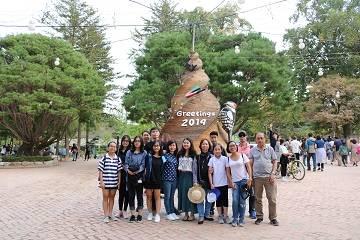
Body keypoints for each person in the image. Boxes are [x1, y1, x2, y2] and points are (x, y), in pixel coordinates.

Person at [249, 132, 279, 226]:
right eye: (258, 138)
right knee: (258, 199)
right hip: (257, 178)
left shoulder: (270, 149)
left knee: (272, 199)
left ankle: (273, 218)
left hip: (269, 177)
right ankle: (259, 217)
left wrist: (273, 173)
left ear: (265, 139)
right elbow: (250, 164)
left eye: (261, 138)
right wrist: (251, 177)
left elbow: (275, 162)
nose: (260, 140)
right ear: (256, 140)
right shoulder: (253, 150)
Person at [227, 141, 252, 227]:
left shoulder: (242, 155)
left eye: (233, 145)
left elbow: (248, 167)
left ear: (236, 146)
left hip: (244, 181)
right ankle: (234, 218)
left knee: (242, 201)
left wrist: (250, 178)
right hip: (235, 182)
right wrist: (230, 182)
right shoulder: (228, 158)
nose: (232, 147)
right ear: (228, 148)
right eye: (230, 146)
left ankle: (241, 219)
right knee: (234, 200)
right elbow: (228, 172)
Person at [98, 141, 122, 223]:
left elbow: (119, 172)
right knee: (105, 198)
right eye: (111, 146)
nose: (112, 148)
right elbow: (100, 171)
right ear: (108, 148)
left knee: (112, 198)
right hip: (105, 182)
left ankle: (110, 214)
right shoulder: (104, 158)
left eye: (114, 146)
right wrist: (101, 182)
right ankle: (105, 216)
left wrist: (119, 182)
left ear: (116, 148)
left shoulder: (118, 159)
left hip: (114, 182)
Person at [124, 136, 146, 223]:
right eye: (135, 141)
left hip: (139, 176)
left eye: (138, 141)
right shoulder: (129, 152)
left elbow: (143, 165)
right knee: (131, 195)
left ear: (141, 143)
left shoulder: (144, 153)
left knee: (140, 196)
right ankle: (133, 214)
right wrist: (128, 170)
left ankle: (139, 215)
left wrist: (137, 171)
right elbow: (125, 163)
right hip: (129, 176)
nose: (137, 142)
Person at [208, 143, 231, 224]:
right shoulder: (211, 160)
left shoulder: (225, 159)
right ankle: (220, 216)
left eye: (219, 149)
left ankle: (225, 216)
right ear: (213, 151)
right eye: (215, 149)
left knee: (225, 200)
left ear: (221, 150)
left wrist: (229, 182)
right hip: (216, 184)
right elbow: (209, 173)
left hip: (224, 183)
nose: (217, 151)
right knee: (218, 200)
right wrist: (211, 183)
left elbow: (228, 171)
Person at [177, 138, 197, 221]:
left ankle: (192, 213)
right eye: (184, 143)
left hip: (190, 176)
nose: (185, 144)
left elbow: (195, 169)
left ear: (190, 144)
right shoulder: (179, 154)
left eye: (187, 143)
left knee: (191, 194)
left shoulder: (194, 154)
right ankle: (185, 213)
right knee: (183, 195)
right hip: (181, 176)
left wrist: (195, 181)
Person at [237, 130, 256, 219]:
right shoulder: (236, 147)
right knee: (240, 193)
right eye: (240, 136)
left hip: (249, 172)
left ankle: (252, 210)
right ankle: (239, 211)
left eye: (243, 135)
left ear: (246, 136)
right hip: (239, 174)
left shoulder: (251, 147)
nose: (242, 137)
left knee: (251, 192)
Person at [195, 139, 213, 224]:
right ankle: (201, 216)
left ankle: (207, 214)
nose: (205, 145)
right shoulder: (197, 157)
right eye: (203, 144)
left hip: (210, 181)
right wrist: (195, 181)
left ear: (209, 146)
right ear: (200, 146)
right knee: (200, 199)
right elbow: (194, 170)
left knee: (209, 199)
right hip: (199, 181)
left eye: (206, 144)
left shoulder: (212, 157)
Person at [144, 140, 163, 223]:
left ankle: (157, 214)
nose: (156, 147)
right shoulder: (149, 156)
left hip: (158, 180)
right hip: (149, 179)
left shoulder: (163, 157)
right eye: (155, 146)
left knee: (157, 197)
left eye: (158, 146)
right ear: (152, 147)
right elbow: (145, 167)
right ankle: (150, 213)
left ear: (160, 147)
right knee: (149, 197)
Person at [162, 140, 179, 221]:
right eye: (171, 145)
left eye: (174, 145)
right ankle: (168, 213)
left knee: (172, 197)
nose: (172, 147)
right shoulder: (164, 155)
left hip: (174, 179)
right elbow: (161, 167)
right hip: (166, 179)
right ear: (168, 147)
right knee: (167, 196)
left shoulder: (176, 156)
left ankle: (172, 212)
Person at [117, 135, 131, 219]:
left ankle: (125, 210)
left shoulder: (130, 151)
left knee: (127, 194)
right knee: (121, 193)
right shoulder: (118, 151)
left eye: (127, 141)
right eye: (124, 140)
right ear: (122, 141)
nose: (125, 142)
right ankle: (120, 211)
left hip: (128, 175)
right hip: (120, 175)